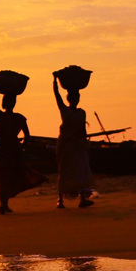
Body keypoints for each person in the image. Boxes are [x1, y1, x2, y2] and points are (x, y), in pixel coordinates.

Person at [0, 81, 46, 214]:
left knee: (3, 177)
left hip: (3, 150)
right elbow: (27, 136)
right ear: (13, 103)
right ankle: (4, 204)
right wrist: (22, 147)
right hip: (11, 149)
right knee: (10, 176)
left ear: (4, 103)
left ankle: (4, 203)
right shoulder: (19, 118)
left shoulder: (2, 116)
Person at [53, 73, 94, 208]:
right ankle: (60, 200)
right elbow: (57, 97)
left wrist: (84, 142)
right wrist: (54, 81)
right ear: (69, 99)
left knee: (81, 170)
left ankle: (82, 199)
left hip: (78, 145)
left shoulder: (81, 112)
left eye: (77, 97)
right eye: (73, 97)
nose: (75, 99)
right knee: (65, 171)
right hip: (66, 146)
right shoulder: (65, 110)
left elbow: (82, 130)